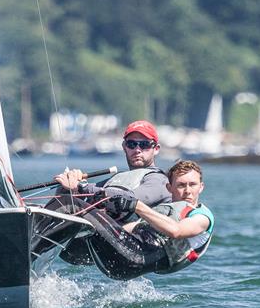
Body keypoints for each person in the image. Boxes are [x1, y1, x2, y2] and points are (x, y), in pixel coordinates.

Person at [79, 160, 215, 280]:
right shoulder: (162, 212)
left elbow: (176, 231)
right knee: (81, 237)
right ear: (169, 188)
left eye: (193, 185)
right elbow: (126, 229)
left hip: (134, 259)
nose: (187, 191)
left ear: (201, 187)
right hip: (119, 261)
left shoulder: (202, 216)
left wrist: (135, 205)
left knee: (73, 205)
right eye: (181, 185)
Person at [54, 120, 171, 219]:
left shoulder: (160, 180)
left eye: (144, 144)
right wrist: (67, 184)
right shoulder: (118, 178)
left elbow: (127, 199)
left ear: (156, 149)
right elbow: (77, 196)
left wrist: (80, 187)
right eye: (131, 144)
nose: (137, 149)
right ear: (124, 147)